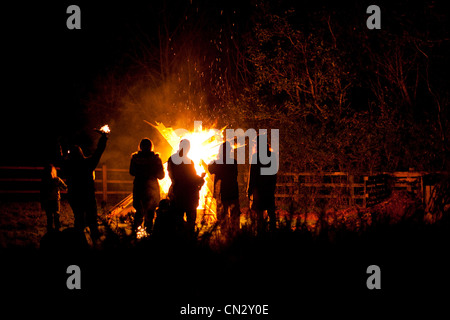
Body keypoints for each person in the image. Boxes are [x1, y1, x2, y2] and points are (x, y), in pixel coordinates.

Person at [64, 131, 108, 239]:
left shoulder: (68, 166)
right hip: (88, 196)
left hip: (74, 196)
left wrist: (58, 143)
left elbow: (59, 158)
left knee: (79, 218)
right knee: (92, 220)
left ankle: (80, 242)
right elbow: (99, 151)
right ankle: (95, 243)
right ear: (81, 153)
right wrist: (104, 137)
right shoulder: (88, 163)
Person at [167, 139, 205, 234]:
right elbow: (191, 177)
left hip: (177, 192)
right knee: (190, 219)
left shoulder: (171, 159)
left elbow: (171, 174)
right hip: (189, 194)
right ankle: (189, 240)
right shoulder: (188, 161)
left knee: (177, 219)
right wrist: (200, 179)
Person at [129, 138, 165, 234]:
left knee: (139, 212)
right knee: (150, 213)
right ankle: (148, 234)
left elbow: (132, 172)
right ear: (151, 147)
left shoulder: (135, 158)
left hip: (139, 187)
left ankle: (136, 235)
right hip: (151, 189)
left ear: (140, 147)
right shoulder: (156, 159)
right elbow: (161, 176)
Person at [208, 141, 240, 234]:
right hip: (233, 191)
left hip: (222, 192)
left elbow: (210, 169)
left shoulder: (217, 162)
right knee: (234, 215)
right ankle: (235, 233)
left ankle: (224, 235)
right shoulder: (233, 162)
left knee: (222, 215)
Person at [247, 136, 277, 233]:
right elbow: (274, 174)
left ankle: (260, 231)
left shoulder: (256, 157)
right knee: (271, 211)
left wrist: (250, 190)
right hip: (268, 188)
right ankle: (273, 231)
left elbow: (253, 175)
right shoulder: (272, 156)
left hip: (259, 190)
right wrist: (272, 186)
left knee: (259, 212)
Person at [40, 164, 67, 232]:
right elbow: (65, 187)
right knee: (55, 214)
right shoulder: (56, 180)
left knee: (51, 215)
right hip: (54, 199)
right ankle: (55, 228)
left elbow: (42, 192)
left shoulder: (46, 181)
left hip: (50, 200)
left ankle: (51, 229)